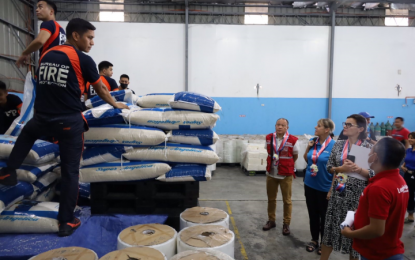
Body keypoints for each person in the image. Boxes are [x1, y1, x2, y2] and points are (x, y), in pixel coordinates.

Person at [0, 18, 129, 237]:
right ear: (76, 36)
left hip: (42, 118)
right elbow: (101, 90)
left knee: (28, 133)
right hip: (68, 123)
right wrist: (115, 104)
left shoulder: (47, 55)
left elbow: (45, 85)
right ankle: (66, 222)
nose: (92, 43)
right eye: (89, 38)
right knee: (71, 172)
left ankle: (9, 170)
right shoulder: (83, 59)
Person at [341, 138, 409, 260]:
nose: (368, 153)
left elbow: (376, 230)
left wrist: (349, 233)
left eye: (370, 151)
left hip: (377, 253)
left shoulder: (379, 187)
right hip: (390, 248)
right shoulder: (399, 181)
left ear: (375, 157)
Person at [320, 114, 374, 260]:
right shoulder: (339, 144)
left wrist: (358, 170)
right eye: (345, 123)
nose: (345, 126)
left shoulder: (370, 148)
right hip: (338, 195)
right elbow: (329, 167)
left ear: (360, 129)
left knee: (353, 233)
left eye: (349, 125)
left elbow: (375, 174)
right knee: (330, 230)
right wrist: (340, 169)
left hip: (357, 199)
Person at [303, 119, 336, 255]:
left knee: (325, 217)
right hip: (310, 184)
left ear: (327, 129)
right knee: (313, 214)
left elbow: (337, 170)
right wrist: (308, 147)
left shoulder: (334, 146)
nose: (315, 127)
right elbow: (307, 159)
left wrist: (331, 189)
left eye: (319, 126)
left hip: (325, 187)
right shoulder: (313, 142)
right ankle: (314, 240)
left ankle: (325, 242)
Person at [263, 118, 299, 236]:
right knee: (271, 199)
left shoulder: (293, 140)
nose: (280, 127)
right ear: (275, 126)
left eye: (283, 125)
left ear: (287, 127)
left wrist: (286, 165)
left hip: (285, 175)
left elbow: (295, 156)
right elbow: (267, 152)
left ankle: (286, 224)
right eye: (278, 124)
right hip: (271, 174)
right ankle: (271, 220)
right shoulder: (269, 138)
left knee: (287, 200)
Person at [16, 0, 66, 67]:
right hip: (60, 67)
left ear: (51, 11)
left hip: (48, 67)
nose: (36, 10)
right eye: (37, 7)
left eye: (40, 7)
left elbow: (39, 41)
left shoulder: (48, 24)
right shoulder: (60, 29)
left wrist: (25, 53)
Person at [401, 132, 415, 223]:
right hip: (407, 175)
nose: (409, 139)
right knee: (409, 195)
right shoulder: (408, 150)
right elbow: (405, 161)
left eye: (412, 138)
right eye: (409, 137)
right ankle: (410, 215)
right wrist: (402, 166)